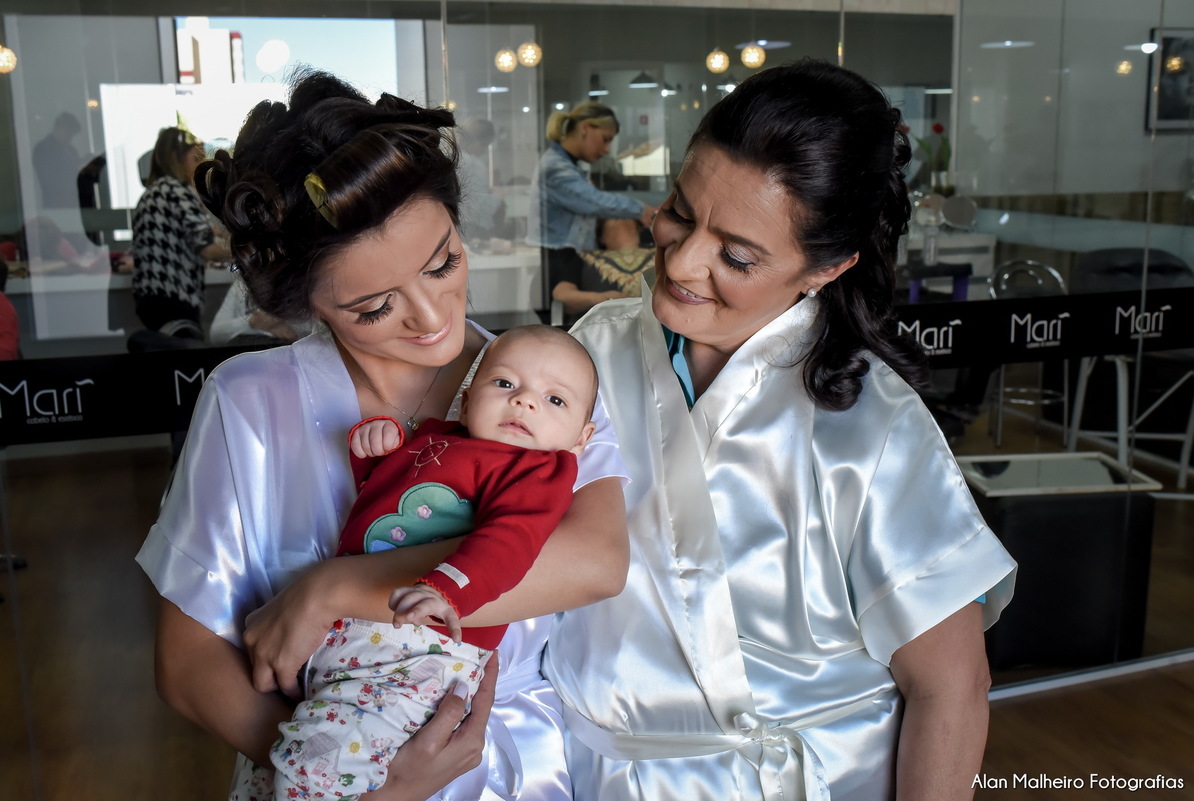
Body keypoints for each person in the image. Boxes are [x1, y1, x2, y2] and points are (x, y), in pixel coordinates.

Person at [135, 70, 629, 801]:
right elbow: (185, 664)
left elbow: (592, 559)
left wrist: (330, 587)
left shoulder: (541, 378)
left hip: (517, 763)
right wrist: (358, 774)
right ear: (307, 304)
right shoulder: (250, 401)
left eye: (444, 263)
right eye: (373, 307)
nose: (432, 317)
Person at [543, 58, 1018, 801]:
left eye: (735, 254)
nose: (684, 260)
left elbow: (951, 686)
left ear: (826, 269)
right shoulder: (581, 360)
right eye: (678, 209)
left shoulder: (871, 423)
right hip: (587, 773)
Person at [271, 325, 598, 800]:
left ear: (581, 439)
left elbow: (510, 543)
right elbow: (383, 504)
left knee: (316, 765)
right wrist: (375, 450)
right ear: (466, 402)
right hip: (355, 636)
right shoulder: (437, 440)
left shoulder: (538, 471)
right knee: (290, 755)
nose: (524, 402)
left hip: (426, 653)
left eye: (555, 401)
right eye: (505, 384)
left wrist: (447, 589)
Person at [526, 101, 657, 318]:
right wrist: (638, 209)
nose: (606, 150)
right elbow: (593, 201)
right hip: (558, 262)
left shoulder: (570, 167)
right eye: (606, 139)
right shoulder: (555, 167)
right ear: (586, 127)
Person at [131, 126, 231, 336]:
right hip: (175, 296)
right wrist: (246, 251)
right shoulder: (177, 191)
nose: (199, 167)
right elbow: (207, 249)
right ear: (176, 158)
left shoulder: (153, 192)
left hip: (150, 297)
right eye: (195, 160)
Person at [454, 117, 507, 244]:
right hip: (472, 227)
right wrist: (497, 196)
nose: (484, 150)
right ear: (472, 141)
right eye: (484, 145)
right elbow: (477, 205)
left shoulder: (458, 159)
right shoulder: (468, 163)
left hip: (463, 226)